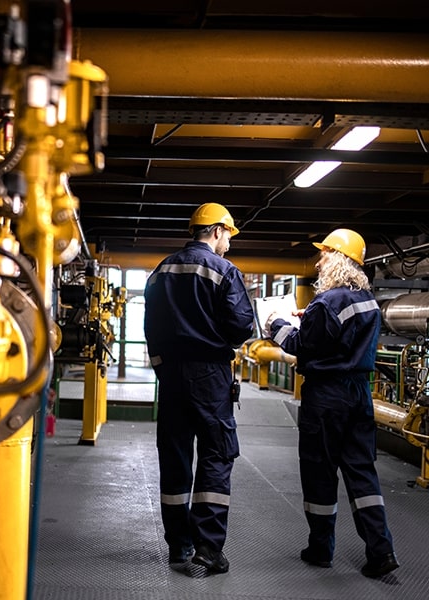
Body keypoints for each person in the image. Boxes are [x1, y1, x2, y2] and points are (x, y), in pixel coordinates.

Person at [265, 228, 399, 579]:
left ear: (340, 260)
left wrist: (275, 324)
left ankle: (321, 548)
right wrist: (309, 318)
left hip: (326, 397)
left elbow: (301, 346)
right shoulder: (367, 300)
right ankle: (381, 551)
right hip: (359, 394)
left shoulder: (328, 302)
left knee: (319, 471)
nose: (319, 260)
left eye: (325, 254)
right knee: (362, 473)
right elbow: (337, 336)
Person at [143, 202, 254, 574]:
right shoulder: (224, 271)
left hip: (171, 376)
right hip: (210, 375)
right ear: (218, 231)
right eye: (228, 237)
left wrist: (161, 366)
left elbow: (151, 328)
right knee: (216, 455)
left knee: (174, 456)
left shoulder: (161, 271)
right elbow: (242, 327)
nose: (228, 245)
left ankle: (179, 545)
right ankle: (208, 547)